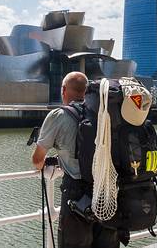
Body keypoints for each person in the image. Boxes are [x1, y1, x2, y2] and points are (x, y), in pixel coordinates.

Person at [32, 71, 119, 248]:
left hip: (76, 195)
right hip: (106, 191)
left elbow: (37, 159)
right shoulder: (104, 113)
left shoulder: (59, 115)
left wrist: (51, 162)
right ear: (87, 91)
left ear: (63, 90)